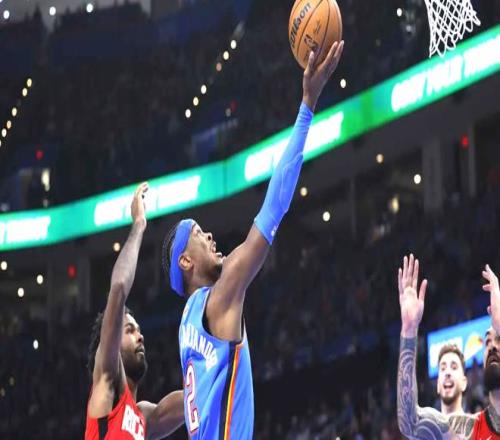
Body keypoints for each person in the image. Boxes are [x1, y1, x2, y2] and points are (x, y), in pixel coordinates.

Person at [162, 41, 345, 439]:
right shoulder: (219, 296)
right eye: (198, 235)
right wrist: (307, 106)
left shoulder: (186, 331)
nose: (210, 235)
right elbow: (273, 209)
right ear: (185, 262)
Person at [85, 182, 184, 440]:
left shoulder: (142, 416)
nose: (140, 336)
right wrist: (139, 224)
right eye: (129, 330)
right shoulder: (106, 384)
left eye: (138, 330)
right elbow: (118, 289)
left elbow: (186, 401)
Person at [397, 254, 500, 439]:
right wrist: (409, 329)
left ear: (465, 381)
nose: (492, 346)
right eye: (487, 342)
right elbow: (409, 423)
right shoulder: (463, 429)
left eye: (498, 339)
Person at [436, 344, 467, 415]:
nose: (447, 372)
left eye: (454, 368)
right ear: (438, 385)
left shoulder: (476, 422)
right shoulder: (427, 422)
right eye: (443, 369)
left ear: (464, 383)